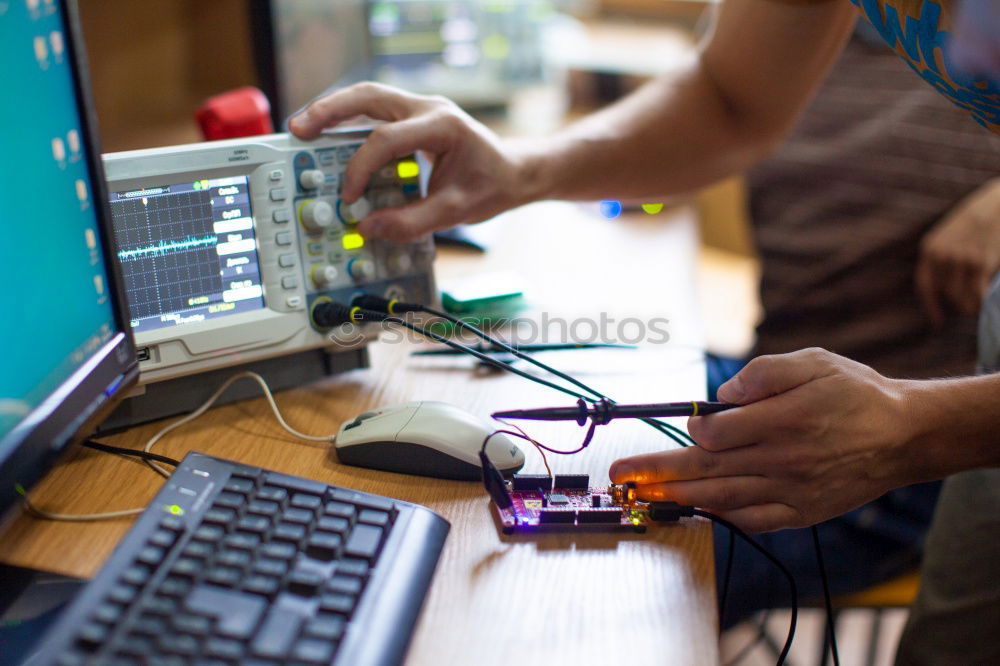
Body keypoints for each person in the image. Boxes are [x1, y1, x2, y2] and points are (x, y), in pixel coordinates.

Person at [288, 0, 1000, 660]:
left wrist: (917, 427)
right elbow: (730, 100)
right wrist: (520, 168)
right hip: (878, 389)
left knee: (579, 603)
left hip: (953, 417)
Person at [707, 19, 1000, 628]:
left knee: (623, 567)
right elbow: (719, 102)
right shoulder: (819, 38)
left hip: (921, 451)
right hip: (781, 381)